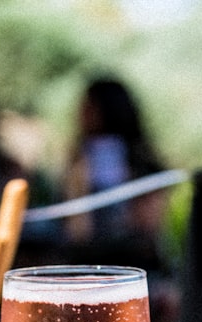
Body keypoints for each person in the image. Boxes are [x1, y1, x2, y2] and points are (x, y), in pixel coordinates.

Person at [63, 77, 170, 272]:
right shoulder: (78, 161)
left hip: (136, 263)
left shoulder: (142, 163)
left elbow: (150, 226)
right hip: (86, 262)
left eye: (89, 106)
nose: (81, 113)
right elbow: (77, 232)